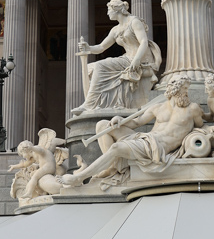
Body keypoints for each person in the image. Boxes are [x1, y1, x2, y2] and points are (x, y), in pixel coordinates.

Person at [61, 74, 202, 185]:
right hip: (146, 139)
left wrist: (210, 130)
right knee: (102, 125)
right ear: (175, 89)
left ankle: (80, 177)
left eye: (187, 89)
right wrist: (119, 119)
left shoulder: (193, 109)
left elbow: (201, 126)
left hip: (157, 148)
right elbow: (136, 122)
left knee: (116, 148)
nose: (186, 92)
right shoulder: (158, 107)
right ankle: (113, 167)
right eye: (185, 88)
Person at [73, 0, 161, 114]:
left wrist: (137, 59)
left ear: (116, 10)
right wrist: (88, 48)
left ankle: (89, 104)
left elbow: (144, 42)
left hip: (140, 59)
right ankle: (99, 104)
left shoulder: (134, 22)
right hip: (127, 58)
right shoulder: (115, 30)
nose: (107, 13)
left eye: (109, 10)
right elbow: (101, 47)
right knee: (90, 68)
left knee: (100, 66)